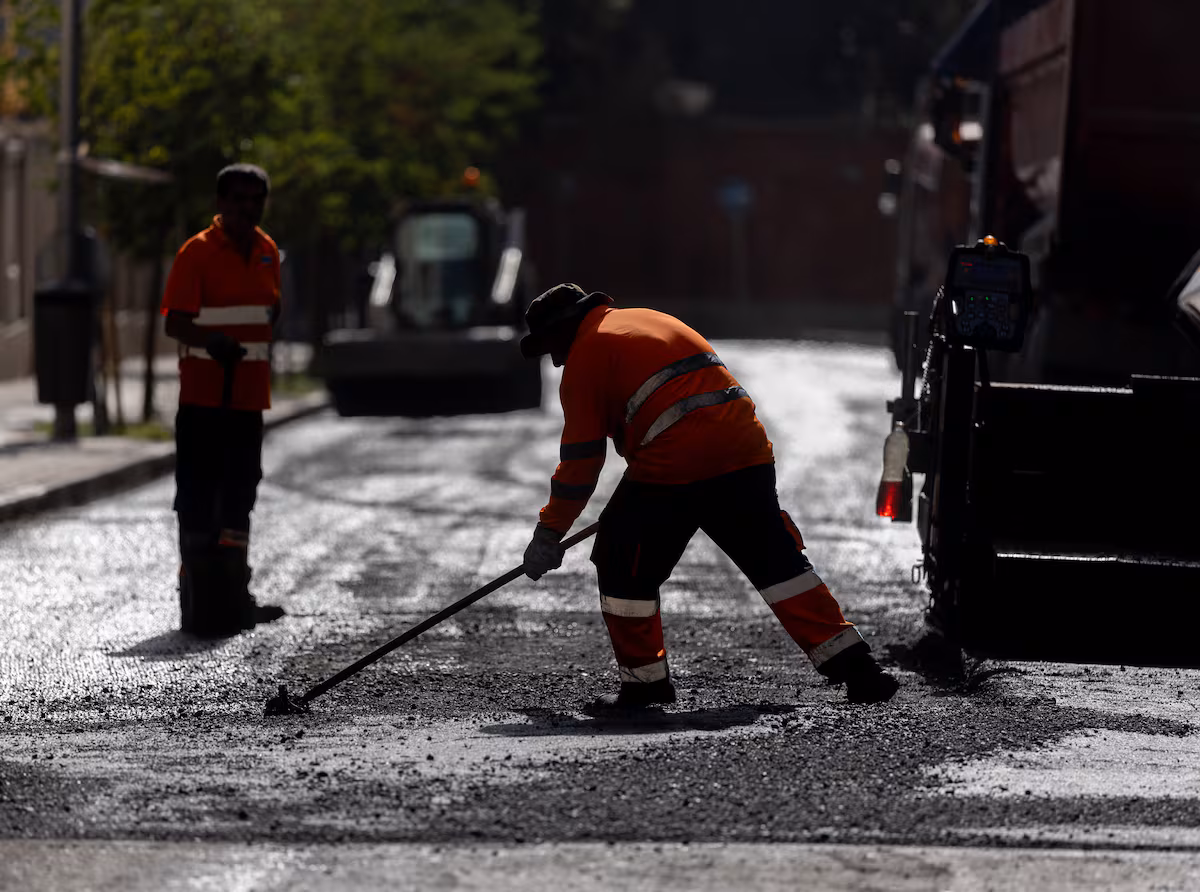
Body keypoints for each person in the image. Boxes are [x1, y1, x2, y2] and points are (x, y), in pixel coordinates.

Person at [520, 283, 899, 712]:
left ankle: (645, 685)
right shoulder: (647, 318)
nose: (556, 361)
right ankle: (860, 671)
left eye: (553, 348)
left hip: (674, 463)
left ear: (561, 334)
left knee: (621, 560)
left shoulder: (586, 357)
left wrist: (548, 533)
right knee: (779, 565)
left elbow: (580, 465)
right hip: (746, 450)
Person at [161, 163, 286, 637]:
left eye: (255, 201)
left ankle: (234, 592)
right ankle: (196, 595)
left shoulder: (268, 252)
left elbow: (270, 313)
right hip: (203, 400)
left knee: (240, 494)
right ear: (220, 204)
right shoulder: (196, 253)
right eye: (236, 200)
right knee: (197, 497)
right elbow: (174, 323)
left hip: (248, 401)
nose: (245, 209)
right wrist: (211, 340)